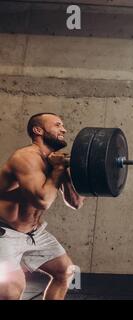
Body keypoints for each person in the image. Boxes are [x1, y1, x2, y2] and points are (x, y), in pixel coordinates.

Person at [0, 113, 85, 300]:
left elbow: (76, 203)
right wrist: (57, 171)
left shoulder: (55, 162)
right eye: (57, 125)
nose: (63, 129)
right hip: (5, 233)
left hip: (34, 233)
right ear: (38, 130)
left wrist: (65, 173)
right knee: (12, 288)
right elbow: (42, 201)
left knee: (66, 272)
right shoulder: (25, 157)